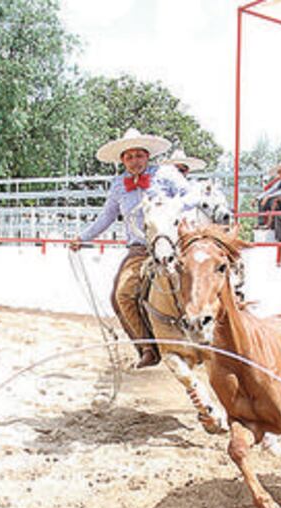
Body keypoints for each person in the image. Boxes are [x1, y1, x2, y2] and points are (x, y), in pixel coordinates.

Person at [69, 128, 190, 369]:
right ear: (123, 160)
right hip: (141, 250)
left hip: (174, 244)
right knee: (122, 295)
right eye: (129, 157)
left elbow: (191, 194)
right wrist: (82, 238)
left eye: (139, 155)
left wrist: (174, 208)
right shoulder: (118, 186)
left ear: (147, 156)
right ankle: (147, 347)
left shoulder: (166, 174)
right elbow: (106, 216)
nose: (134, 161)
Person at [256, 163, 281, 228]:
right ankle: (261, 222)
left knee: (274, 201)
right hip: (277, 199)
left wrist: (268, 197)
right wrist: (258, 198)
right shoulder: (279, 182)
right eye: (279, 172)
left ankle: (270, 223)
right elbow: (271, 190)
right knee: (261, 201)